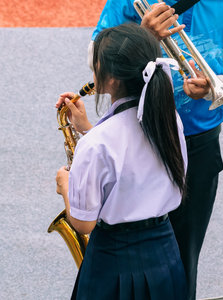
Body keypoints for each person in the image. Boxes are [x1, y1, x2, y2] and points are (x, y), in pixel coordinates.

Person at [89, 1, 223, 299]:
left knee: (184, 256)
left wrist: (215, 84)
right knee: (119, 247)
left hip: (198, 145)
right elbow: (94, 59)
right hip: (133, 135)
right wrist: (143, 36)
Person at [55, 23, 188, 299]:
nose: (93, 72)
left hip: (113, 262)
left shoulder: (98, 144)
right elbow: (134, 158)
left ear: (113, 80)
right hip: (165, 253)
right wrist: (88, 128)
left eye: (96, 66)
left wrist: (65, 185)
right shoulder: (169, 120)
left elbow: (82, 224)